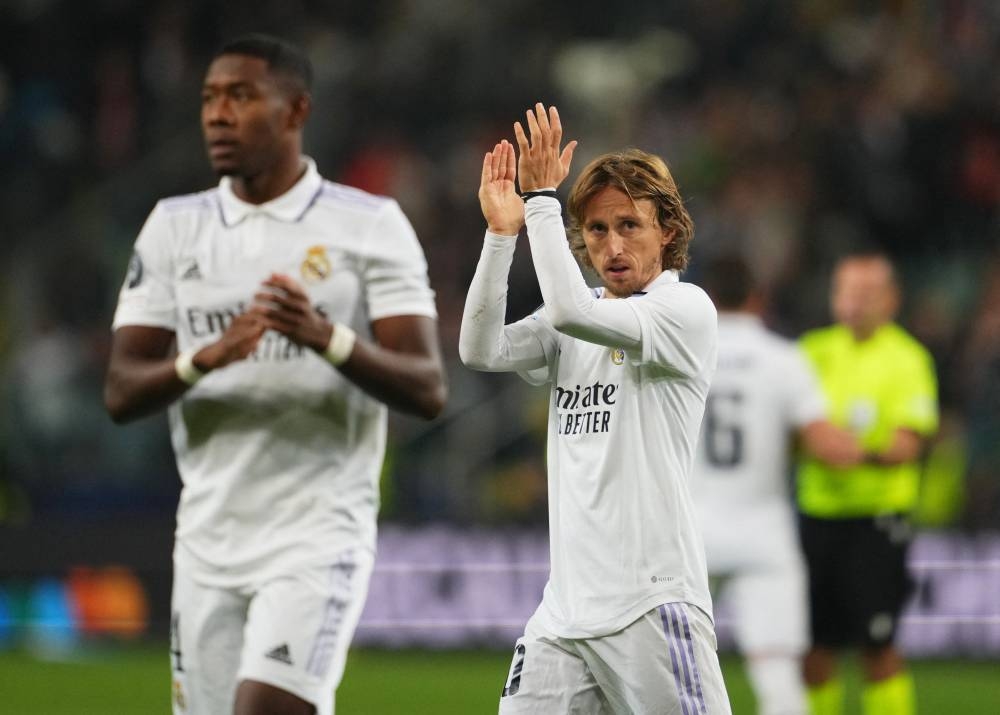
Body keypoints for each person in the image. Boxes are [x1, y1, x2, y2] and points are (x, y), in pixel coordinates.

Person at [103, 34, 447, 715]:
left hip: (318, 533)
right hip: (207, 538)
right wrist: (202, 358)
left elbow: (427, 386)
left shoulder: (370, 224)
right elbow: (120, 390)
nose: (218, 115)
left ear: (295, 112)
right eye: (209, 99)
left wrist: (327, 338)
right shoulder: (174, 228)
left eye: (241, 96)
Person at [460, 103, 731, 714]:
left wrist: (541, 201)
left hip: (651, 604)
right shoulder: (575, 313)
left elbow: (570, 313)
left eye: (629, 225)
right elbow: (480, 349)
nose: (612, 244)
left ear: (667, 229)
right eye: (598, 229)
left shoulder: (683, 311)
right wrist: (502, 236)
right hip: (565, 613)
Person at [690, 256, 862, 715]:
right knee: (779, 676)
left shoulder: (683, 351)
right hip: (764, 535)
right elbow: (827, 445)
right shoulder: (784, 360)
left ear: (707, 298)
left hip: (689, 534)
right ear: (759, 299)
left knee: (668, 673)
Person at [796, 252, 938, 715]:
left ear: (891, 299)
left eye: (866, 293)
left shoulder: (908, 359)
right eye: (846, 292)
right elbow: (786, 430)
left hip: (876, 523)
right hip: (816, 518)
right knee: (813, 648)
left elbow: (908, 444)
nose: (854, 303)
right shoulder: (811, 351)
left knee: (878, 646)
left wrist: (851, 452)